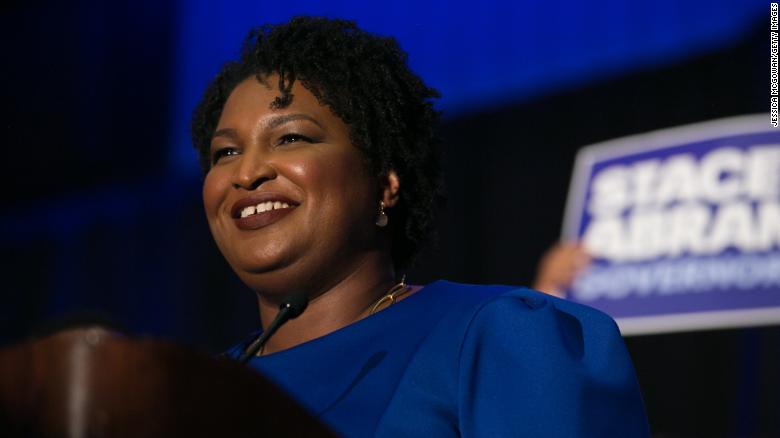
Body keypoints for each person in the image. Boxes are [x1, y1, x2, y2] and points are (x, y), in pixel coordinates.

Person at [191, 16, 649, 437]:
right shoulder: (190, 395)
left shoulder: (501, 339)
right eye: (224, 153)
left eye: (291, 138)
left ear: (386, 185)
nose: (246, 173)